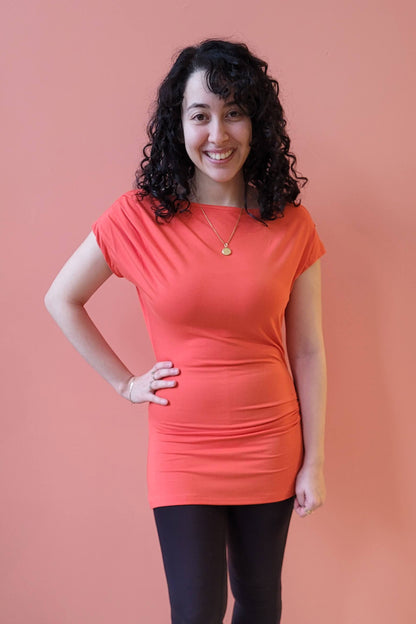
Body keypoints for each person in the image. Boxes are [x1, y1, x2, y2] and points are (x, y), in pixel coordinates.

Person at [45, 38, 327, 624]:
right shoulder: (138, 216)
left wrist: (314, 461)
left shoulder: (291, 224)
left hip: (271, 442)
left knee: (259, 603)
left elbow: (307, 350)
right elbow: (62, 298)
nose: (218, 134)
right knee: (196, 611)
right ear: (179, 125)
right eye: (200, 115)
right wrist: (126, 384)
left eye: (234, 112)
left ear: (257, 123)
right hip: (183, 451)